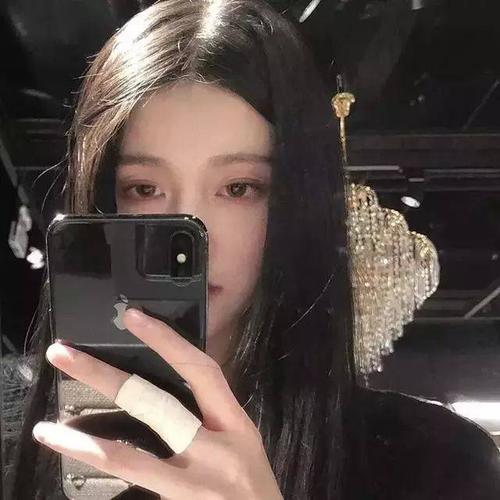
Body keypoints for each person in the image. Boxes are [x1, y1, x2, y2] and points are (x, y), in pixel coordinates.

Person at [4, 1, 500, 499]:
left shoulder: (435, 462)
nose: (195, 232)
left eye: (239, 188)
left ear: (296, 201)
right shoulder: (19, 449)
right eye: (144, 189)